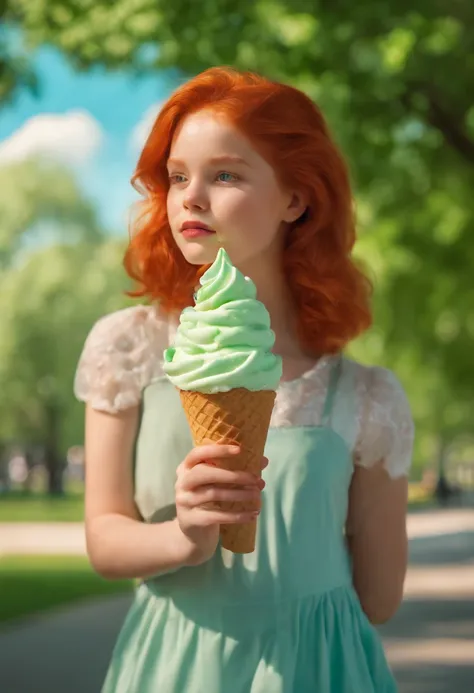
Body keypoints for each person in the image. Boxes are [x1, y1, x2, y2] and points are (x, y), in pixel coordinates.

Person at [74, 66, 414, 692]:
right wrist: (184, 537)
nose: (190, 197)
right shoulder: (128, 347)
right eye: (178, 177)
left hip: (320, 672)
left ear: (296, 197)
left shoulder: (369, 399)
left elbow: (380, 599)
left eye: (224, 174)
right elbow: (103, 539)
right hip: (174, 668)